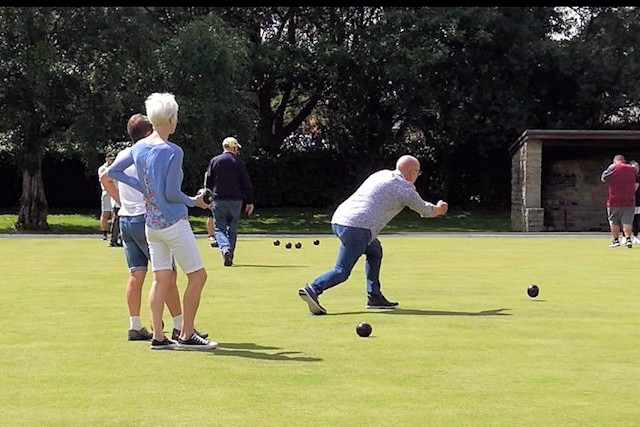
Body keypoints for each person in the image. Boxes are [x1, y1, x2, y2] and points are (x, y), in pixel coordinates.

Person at [107, 92, 216, 351]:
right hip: (173, 223)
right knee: (198, 276)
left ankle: (158, 336)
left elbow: (113, 171)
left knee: (160, 279)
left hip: (152, 225)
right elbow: (170, 193)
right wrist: (195, 201)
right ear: (170, 119)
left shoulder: (138, 147)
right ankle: (186, 334)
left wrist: (143, 188)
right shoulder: (173, 151)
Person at [298, 155, 448, 315]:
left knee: (374, 250)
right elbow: (425, 210)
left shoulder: (381, 174)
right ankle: (313, 288)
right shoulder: (405, 188)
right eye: (418, 172)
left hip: (340, 220)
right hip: (358, 228)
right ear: (412, 173)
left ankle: (374, 296)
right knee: (342, 271)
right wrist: (439, 209)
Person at [204, 136, 254, 267]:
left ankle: (225, 249)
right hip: (236, 200)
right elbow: (246, 182)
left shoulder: (215, 161)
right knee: (232, 228)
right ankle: (229, 252)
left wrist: (207, 198)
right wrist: (249, 201)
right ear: (233, 147)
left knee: (219, 228)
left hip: (218, 199)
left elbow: (208, 181)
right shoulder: (238, 162)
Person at [600, 154, 636, 249]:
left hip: (614, 199)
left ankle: (616, 240)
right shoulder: (632, 169)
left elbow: (603, 178)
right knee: (627, 221)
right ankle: (628, 240)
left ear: (615, 161)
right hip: (629, 199)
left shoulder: (613, 167)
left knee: (614, 221)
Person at [98, 152, 115, 240]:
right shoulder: (102, 168)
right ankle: (104, 233)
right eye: (111, 159)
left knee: (114, 214)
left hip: (115, 191)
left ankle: (114, 233)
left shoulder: (115, 166)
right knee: (105, 213)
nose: (112, 161)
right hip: (106, 193)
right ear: (106, 159)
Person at [203, 169, 218, 248]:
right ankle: (211, 235)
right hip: (211, 196)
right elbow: (207, 186)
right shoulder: (209, 173)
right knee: (210, 215)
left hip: (220, 196)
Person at [629, 160, 640, 245]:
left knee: (636, 219)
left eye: (637, 168)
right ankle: (626, 237)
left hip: (638, 201)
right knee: (627, 219)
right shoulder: (627, 178)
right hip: (628, 201)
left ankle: (635, 236)